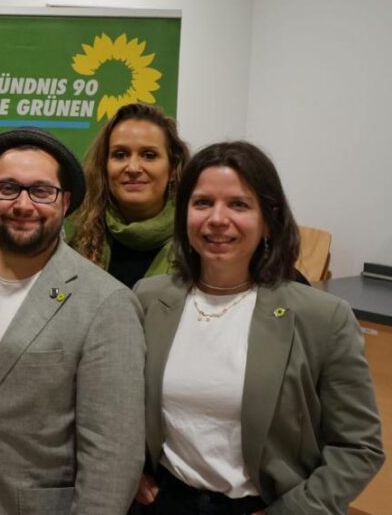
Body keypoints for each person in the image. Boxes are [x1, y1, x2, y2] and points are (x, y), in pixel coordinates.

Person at [134, 141, 384, 514]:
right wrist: (131, 469)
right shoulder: (149, 298)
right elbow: (122, 408)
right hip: (163, 502)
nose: (217, 218)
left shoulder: (323, 318)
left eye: (238, 204)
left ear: (268, 220)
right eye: (202, 203)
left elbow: (359, 447)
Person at [0, 128, 145, 514]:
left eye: (41, 191)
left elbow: (114, 454)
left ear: (65, 202)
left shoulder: (106, 302)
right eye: (8, 188)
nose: (23, 204)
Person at [69, 103, 189, 288]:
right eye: (120, 154)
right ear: (104, 166)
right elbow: (55, 294)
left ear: (173, 168)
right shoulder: (80, 242)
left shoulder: (196, 246)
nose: (133, 168)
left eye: (149, 155)